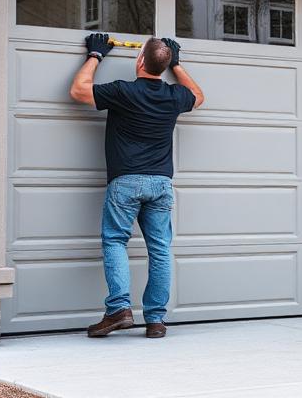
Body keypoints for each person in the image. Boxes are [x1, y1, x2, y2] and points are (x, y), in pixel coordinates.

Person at [69, 34, 204, 338]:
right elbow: (198, 95)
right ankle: (155, 320)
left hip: (126, 182)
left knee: (115, 240)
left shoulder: (123, 91)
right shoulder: (174, 96)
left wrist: (95, 55)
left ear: (140, 61)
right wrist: (177, 65)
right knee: (160, 250)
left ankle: (118, 309)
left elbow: (78, 91)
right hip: (160, 184)